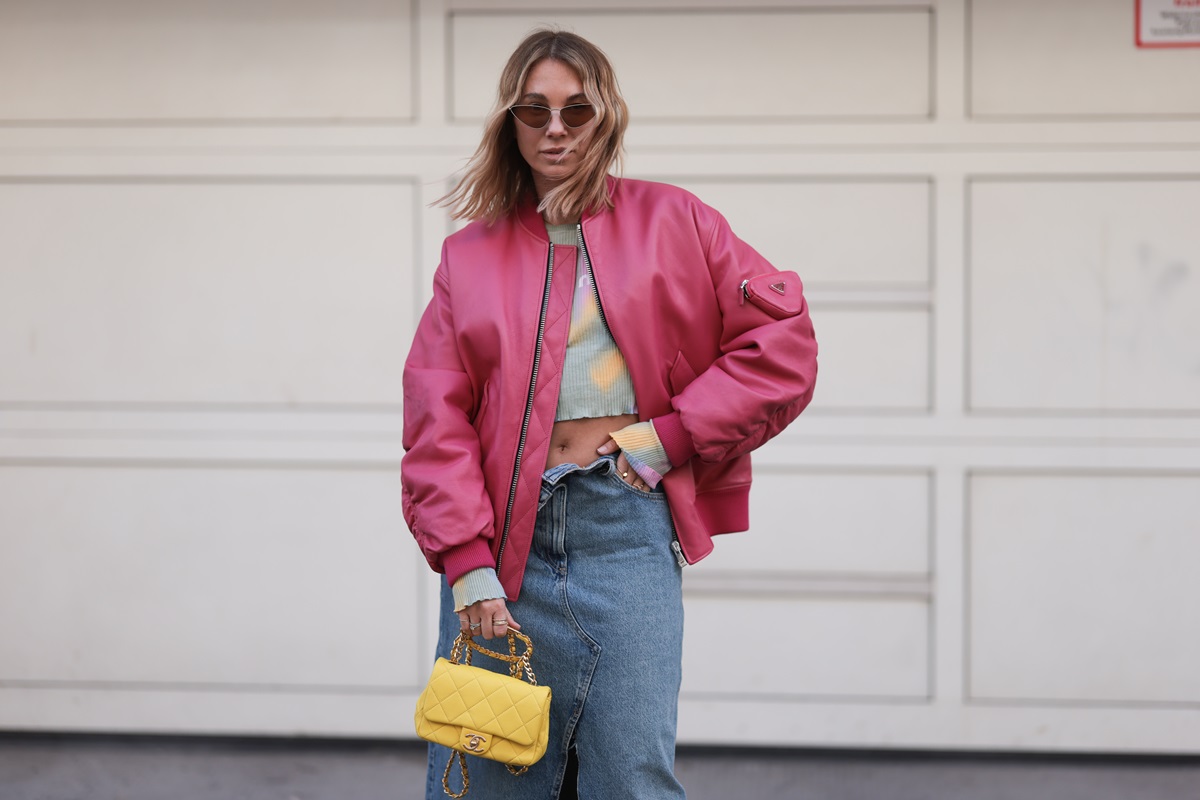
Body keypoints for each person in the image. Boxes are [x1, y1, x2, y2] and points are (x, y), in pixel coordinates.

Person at [402, 28, 817, 800]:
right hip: (503, 550)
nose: (555, 129)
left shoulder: (677, 221)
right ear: (510, 124)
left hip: (625, 534)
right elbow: (437, 418)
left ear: (606, 117)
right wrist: (465, 564)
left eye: (575, 110)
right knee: (492, 778)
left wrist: (670, 437)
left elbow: (781, 344)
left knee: (631, 779)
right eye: (534, 111)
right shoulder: (470, 256)